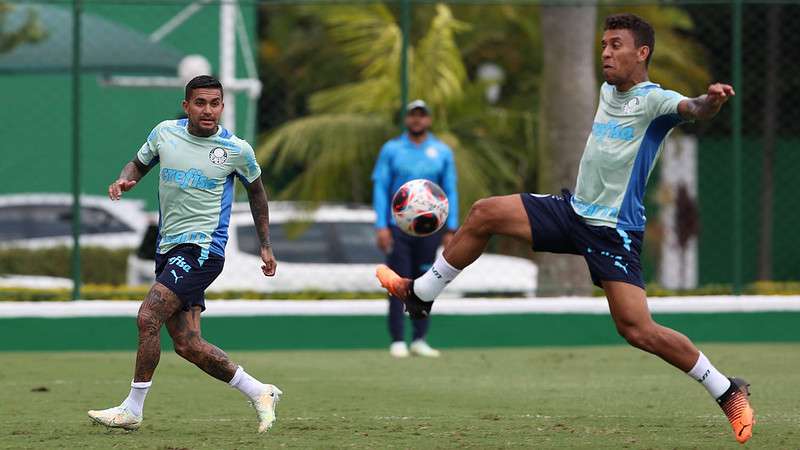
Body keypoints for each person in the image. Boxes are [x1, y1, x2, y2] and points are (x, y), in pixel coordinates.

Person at [377, 14, 754, 444]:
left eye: (616, 45)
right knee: (484, 214)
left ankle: (726, 390)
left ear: (642, 52)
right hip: (572, 212)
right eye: (604, 45)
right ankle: (422, 294)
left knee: (637, 330)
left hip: (613, 231)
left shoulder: (655, 102)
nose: (607, 53)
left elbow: (693, 108)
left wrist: (711, 101)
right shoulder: (607, 89)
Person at [89, 75, 282, 433]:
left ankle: (132, 408)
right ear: (186, 106)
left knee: (148, 316)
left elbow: (257, 194)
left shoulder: (237, 149)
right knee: (188, 344)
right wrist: (124, 178)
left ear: (222, 106)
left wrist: (266, 246)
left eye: (214, 103)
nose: (207, 110)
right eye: (200, 103)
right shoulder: (164, 132)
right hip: (168, 248)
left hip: (203, 249)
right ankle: (260, 391)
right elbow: (138, 163)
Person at [372, 100, 458, 358]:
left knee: (425, 282)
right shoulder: (392, 149)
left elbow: (450, 188)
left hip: (430, 229)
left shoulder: (441, 151)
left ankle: (420, 338)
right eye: (413, 116)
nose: (417, 120)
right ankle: (397, 339)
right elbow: (380, 186)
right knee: (398, 281)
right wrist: (381, 225)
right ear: (406, 119)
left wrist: (451, 227)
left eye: (422, 116)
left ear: (429, 120)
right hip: (398, 228)